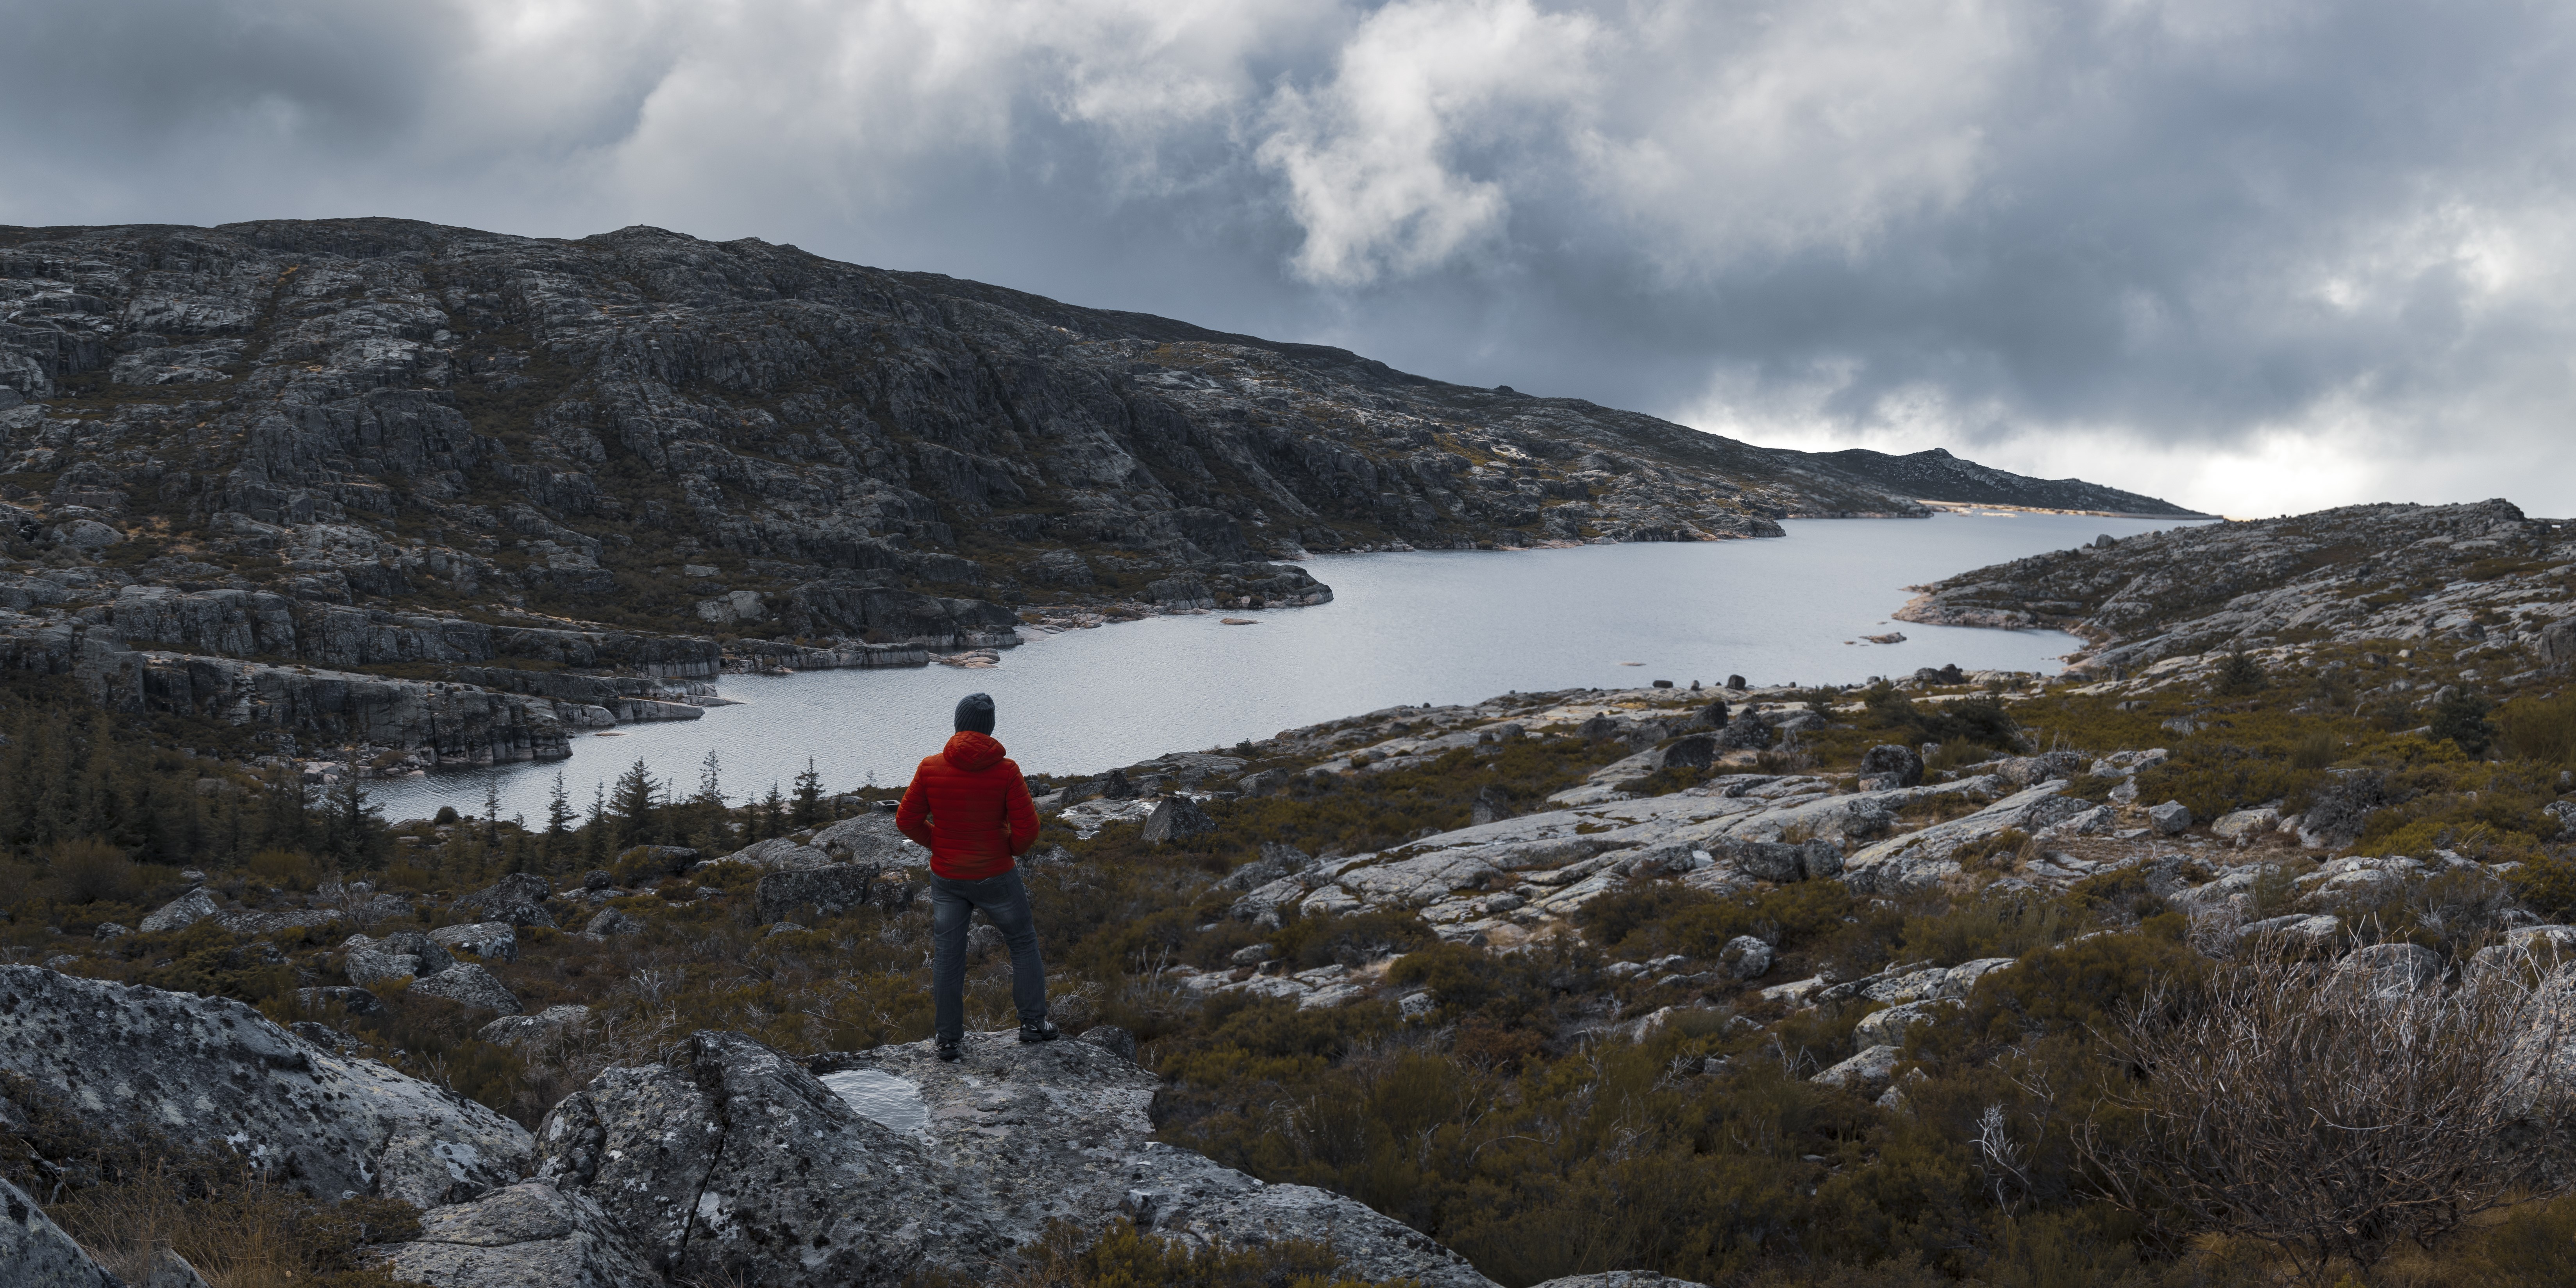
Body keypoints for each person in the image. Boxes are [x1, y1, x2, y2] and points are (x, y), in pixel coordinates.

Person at [895, 691, 1057, 1061]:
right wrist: (1008, 849)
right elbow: (1028, 830)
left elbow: (906, 819)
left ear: (957, 724)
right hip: (996, 874)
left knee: (948, 957)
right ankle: (1034, 1024)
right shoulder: (1007, 771)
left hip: (948, 878)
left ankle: (948, 1040)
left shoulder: (930, 767)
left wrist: (941, 843)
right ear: (990, 727)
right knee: (1023, 943)